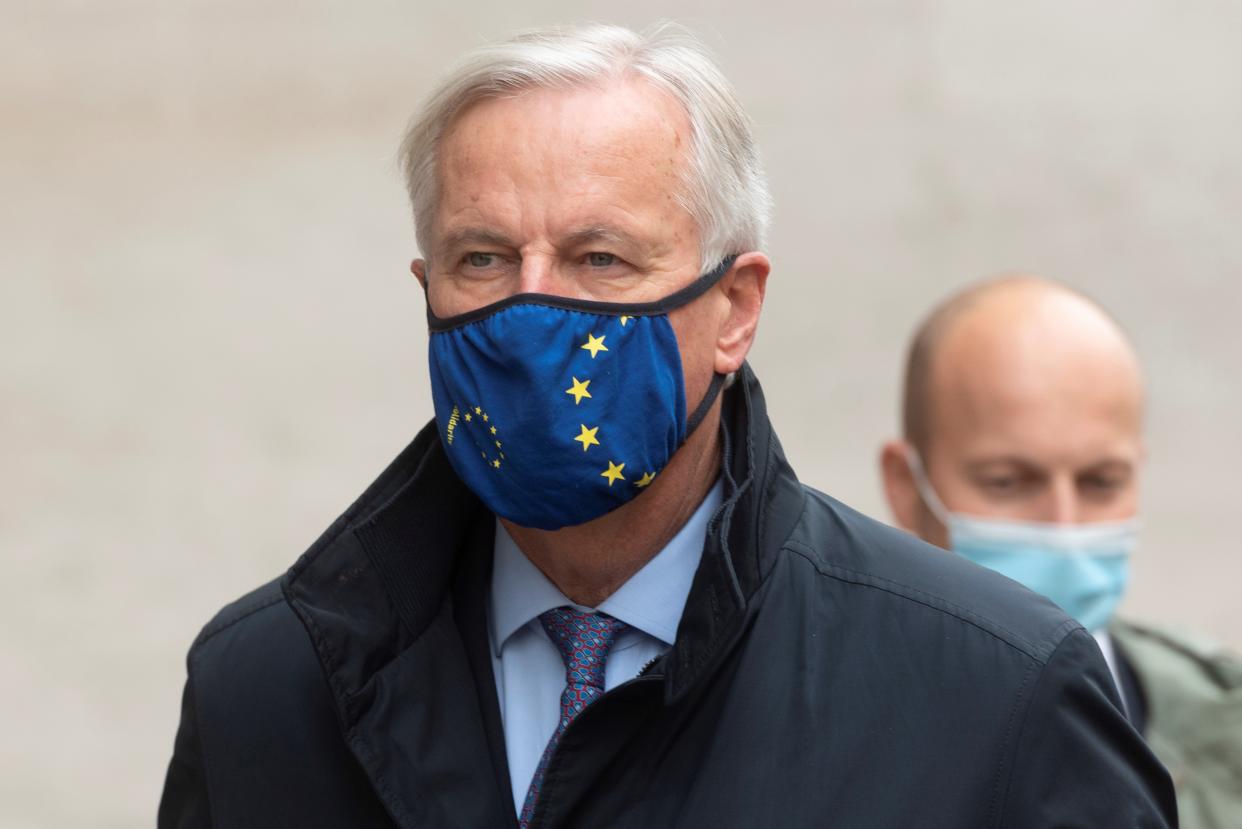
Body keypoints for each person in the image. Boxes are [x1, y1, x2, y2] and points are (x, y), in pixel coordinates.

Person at [159, 24, 1175, 828]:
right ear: (426, 289)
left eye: (601, 258)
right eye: (483, 259)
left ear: (734, 309)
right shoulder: (268, 692)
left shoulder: (993, 698)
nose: (532, 310)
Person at [880, 275, 1242, 828]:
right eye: (1008, 482)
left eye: (1101, 482)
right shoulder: (825, 723)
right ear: (907, 487)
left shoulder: (1224, 724)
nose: (1063, 526)